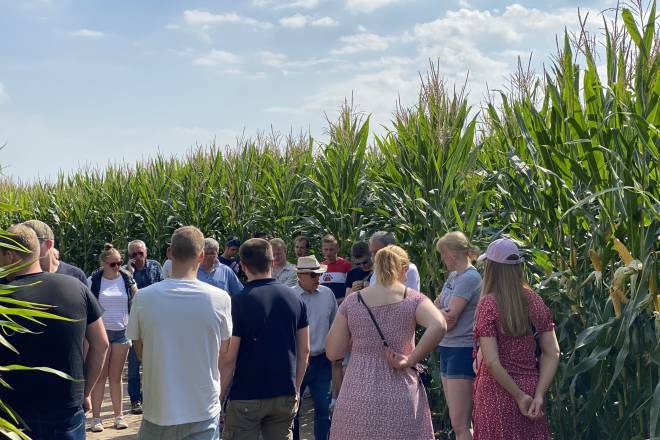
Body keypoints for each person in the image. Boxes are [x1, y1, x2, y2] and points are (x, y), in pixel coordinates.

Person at [325, 245, 446, 440]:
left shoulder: (353, 301)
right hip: (401, 391)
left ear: (376, 268)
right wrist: (409, 360)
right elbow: (439, 324)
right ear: (403, 268)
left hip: (357, 392)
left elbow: (333, 352)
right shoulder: (412, 299)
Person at [0, 225, 109, 440]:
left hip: (13, 415)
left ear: (10, 255)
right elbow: (101, 343)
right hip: (66, 410)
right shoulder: (74, 287)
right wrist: (85, 392)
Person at [127, 226, 232, 439]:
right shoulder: (220, 299)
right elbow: (225, 348)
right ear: (201, 256)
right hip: (203, 408)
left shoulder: (143, 298)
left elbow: (140, 352)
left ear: (170, 253)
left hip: (158, 411)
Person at [220, 238, 310, 440]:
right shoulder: (295, 298)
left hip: (246, 396)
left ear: (243, 266)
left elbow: (229, 358)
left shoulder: (238, 303)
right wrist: (296, 390)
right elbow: (304, 351)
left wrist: (218, 396)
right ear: (271, 262)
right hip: (284, 394)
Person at [472, 238, 560, 440]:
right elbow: (552, 351)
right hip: (531, 388)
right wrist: (538, 394)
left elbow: (493, 363)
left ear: (491, 269)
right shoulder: (534, 300)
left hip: (497, 392)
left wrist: (519, 397)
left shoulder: (489, 304)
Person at [434, 232, 482, 440]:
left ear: (453, 253)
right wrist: (439, 314)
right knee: (458, 422)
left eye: (443, 254)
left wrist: (439, 315)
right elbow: (433, 307)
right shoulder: (454, 277)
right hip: (447, 347)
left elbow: (450, 318)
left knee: (460, 423)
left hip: (461, 350)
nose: (442, 259)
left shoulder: (470, 277)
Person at [88, 243, 138, 432]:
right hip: (100, 333)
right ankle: (96, 419)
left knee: (116, 378)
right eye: (113, 264)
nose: (118, 267)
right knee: (100, 378)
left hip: (122, 333)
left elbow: (138, 299)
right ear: (103, 263)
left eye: (120, 263)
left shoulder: (127, 279)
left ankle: (119, 416)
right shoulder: (93, 280)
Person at [292, 256, 337, 440]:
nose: (317, 278)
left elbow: (335, 325)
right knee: (292, 410)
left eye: (319, 274)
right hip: (296, 361)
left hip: (321, 360)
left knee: (323, 410)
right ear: (301, 276)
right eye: (313, 274)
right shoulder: (290, 296)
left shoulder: (328, 294)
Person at [123, 240, 165, 415]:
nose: (138, 257)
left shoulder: (155, 266)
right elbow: (125, 298)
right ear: (129, 256)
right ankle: (135, 399)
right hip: (135, 321)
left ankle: (152, 397)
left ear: (146, 253)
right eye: (134, 254)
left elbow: (162, 288)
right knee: (133, 365)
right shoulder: (125, 272)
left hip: (154, 320)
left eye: (140, 253)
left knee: (155, 362)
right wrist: (130, 274)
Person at [20, 219, 87, 285]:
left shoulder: (75, 275)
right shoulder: (18, 278)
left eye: (31, 244)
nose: (24, 250)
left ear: (48, 244)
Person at [320, 234, 352, 303]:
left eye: (331, 249)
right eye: (326, 249)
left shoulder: (347, 265)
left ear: (337, 249)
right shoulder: (319, 267)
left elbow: (352, 291)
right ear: (322, 250)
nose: (328, 252)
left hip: (341, 308)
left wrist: (337, 302)